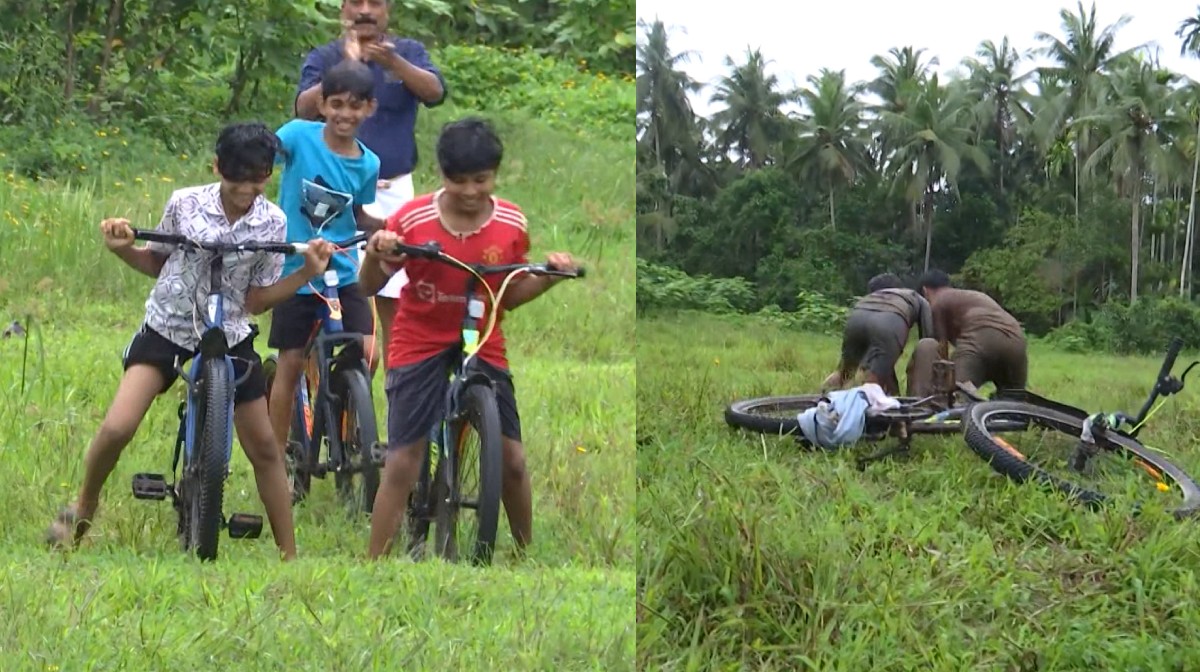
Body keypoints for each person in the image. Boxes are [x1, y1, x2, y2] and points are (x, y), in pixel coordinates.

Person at [45, 122, 336, 560]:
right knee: (118, 425)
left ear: (268, 175)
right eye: (236, 177)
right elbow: (156, 262)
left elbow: (257, 301)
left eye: (257, 179)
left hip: (231, 334)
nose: (246, 189)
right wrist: (121, 247)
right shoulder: (185, 204)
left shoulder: (272, 220)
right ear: (217, 166)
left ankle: (289, 555)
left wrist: (305, 274)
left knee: (263, 448)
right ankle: (85, 503)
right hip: (170, 327)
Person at [358, 117, 579, 560]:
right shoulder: (412, 218)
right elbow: (367, 286)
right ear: (440, 175)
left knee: (512, 460)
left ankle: (524, 554)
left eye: (481, 180)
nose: (471, 191)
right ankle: (374, 561)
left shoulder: (512, 223)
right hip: (419, 340)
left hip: (482, 339)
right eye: (458, 181)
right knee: (404, 459)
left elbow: (509, 296)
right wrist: (376, 253)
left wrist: (551, 277)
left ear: (495, 175)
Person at [294, 0, 448, 374]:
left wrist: (392, 63)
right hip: (337, 192)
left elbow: (435, 92)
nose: (365, 11)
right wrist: (348, 66)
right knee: (330, 296)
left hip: (394, 192)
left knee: (395, 296)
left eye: (374, 3)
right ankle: (323, 410)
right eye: (356, 3)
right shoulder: (326, 55)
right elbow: (302, 109)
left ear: (388, 9)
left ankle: (397, 415)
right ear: (343, 8)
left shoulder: (408, 52)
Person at [267, 59, 386, 467]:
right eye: (336, 104)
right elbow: (265, 155)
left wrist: (387, 231)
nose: (344, 115)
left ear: (369, 108)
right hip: (297, 271)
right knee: (290, 361)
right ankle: (275, 454)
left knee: (367, 352)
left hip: (344, 270)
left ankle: (346, 420)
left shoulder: (368, 163)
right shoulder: (298, 137)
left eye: (355, 106)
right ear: (321, 103)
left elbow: (359, 213)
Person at [823, 273, 936, 396]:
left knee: (845, 371)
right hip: (888, 322)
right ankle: (866, 403)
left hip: (857, 316)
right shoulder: (917, 298)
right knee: (874, 380)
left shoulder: (873, 296)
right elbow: (927, 341)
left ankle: (823, 396)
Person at [918, 269, 1029, 394]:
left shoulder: (937, 302)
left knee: (956, 394)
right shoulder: (970, 295)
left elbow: (942, 347)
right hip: (1016, 341)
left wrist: (945, 378)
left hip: (982, 340)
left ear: (925, 291)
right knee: (1015, 399)